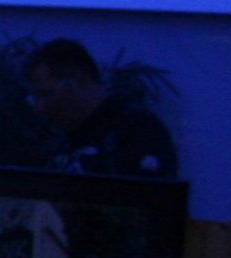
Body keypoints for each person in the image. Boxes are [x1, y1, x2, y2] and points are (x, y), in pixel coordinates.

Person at [31, 37, 178, 179]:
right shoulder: (61, 139)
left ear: (78, 80)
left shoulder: (137, 130)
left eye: (45, 94)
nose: (39, 108)